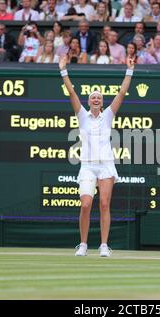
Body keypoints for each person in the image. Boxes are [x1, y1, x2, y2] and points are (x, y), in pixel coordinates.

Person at [58, 54, 135, 257]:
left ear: (102, 102)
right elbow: (71, 93)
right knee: (85, 204)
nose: (96, 99)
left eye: (99, 97)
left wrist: (129, 70)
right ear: (89, 101)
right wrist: (63, 70)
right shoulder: (82, 115)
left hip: (106, 165)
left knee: (104, 204)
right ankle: (83, 244)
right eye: (93, 97)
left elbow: (121, 93)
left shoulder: (108, 115)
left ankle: (103, 245)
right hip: (87, 166)